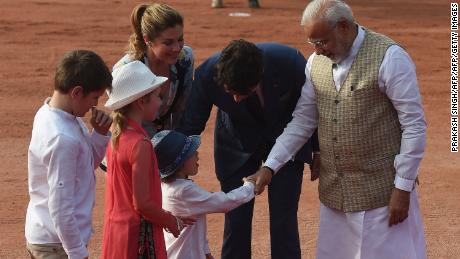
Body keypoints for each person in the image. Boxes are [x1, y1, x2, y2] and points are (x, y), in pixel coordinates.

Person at [250, 1, 428, 258]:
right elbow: (303, 121)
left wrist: (402, 187)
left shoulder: (390, 57)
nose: (318, 51)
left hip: (381, 195)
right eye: (313, 44)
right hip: (336, 196)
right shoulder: (315, 63)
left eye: (322, 42)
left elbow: (413, 125)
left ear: (344, 27)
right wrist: (270, 166)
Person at [177, 39, 319, 259]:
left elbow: (312, 109)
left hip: (287, 139)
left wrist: (318, 149)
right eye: (230, 92)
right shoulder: (207, 74)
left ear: (260, 74)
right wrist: (176, 168)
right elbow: (191, 124)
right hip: (236, 144)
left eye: (244, 92)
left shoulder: (291, 63)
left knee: (284, 218)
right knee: (236, 218)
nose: (236, 99)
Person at [101, 61, 194, 259]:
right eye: (157, 96)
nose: (160, 103)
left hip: (115, 233)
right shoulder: (140, 143)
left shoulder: (116, 137)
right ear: (141, 101)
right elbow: (143, 204)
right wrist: (171, 222)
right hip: (138, 239)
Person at [25, 50, 113, 259]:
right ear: (76, 92)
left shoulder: (49, 112)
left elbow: (83, 167)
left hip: (48, 235)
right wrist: (77, 253)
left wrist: (99, 135)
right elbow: (60, 207)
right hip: (56, 245)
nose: (95, 105)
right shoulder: (62, 138)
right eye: (94, 97)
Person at [152, 130, 255, 259]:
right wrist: (250, 186)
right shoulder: (184, 190)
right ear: (180, 163)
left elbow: (195, 226)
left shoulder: (166, 187)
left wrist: (206, 253)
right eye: (191, 153)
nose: (197, 154)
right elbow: (224, 202)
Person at [114, 3, 194, 138]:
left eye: (180, 39)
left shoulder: (185, 58)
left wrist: (177, 147)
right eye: (168, 43)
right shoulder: (126, 68)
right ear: (148, 40)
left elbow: (183, 108)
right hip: (136, 144)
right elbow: (121, 122)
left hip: (170, 141)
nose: (176, 48)